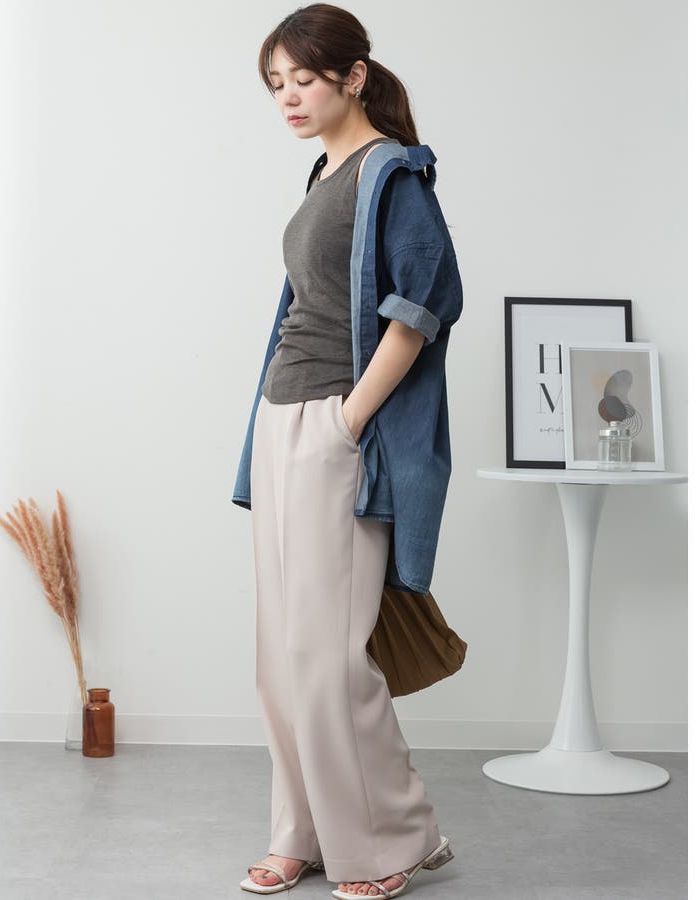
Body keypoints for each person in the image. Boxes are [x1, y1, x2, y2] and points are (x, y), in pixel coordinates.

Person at [233, 5, 463, 898]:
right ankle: (301, 830)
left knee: (330, 655)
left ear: (353, 76)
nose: (288, 97)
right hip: (280, 420)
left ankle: (396, 838)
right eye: (276, 84)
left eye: (304, 78)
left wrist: (348, 420)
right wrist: (288, 422)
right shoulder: (323, 174)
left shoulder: (391, 174)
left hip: (334, 424)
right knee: (282, 656)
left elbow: (422, 305)